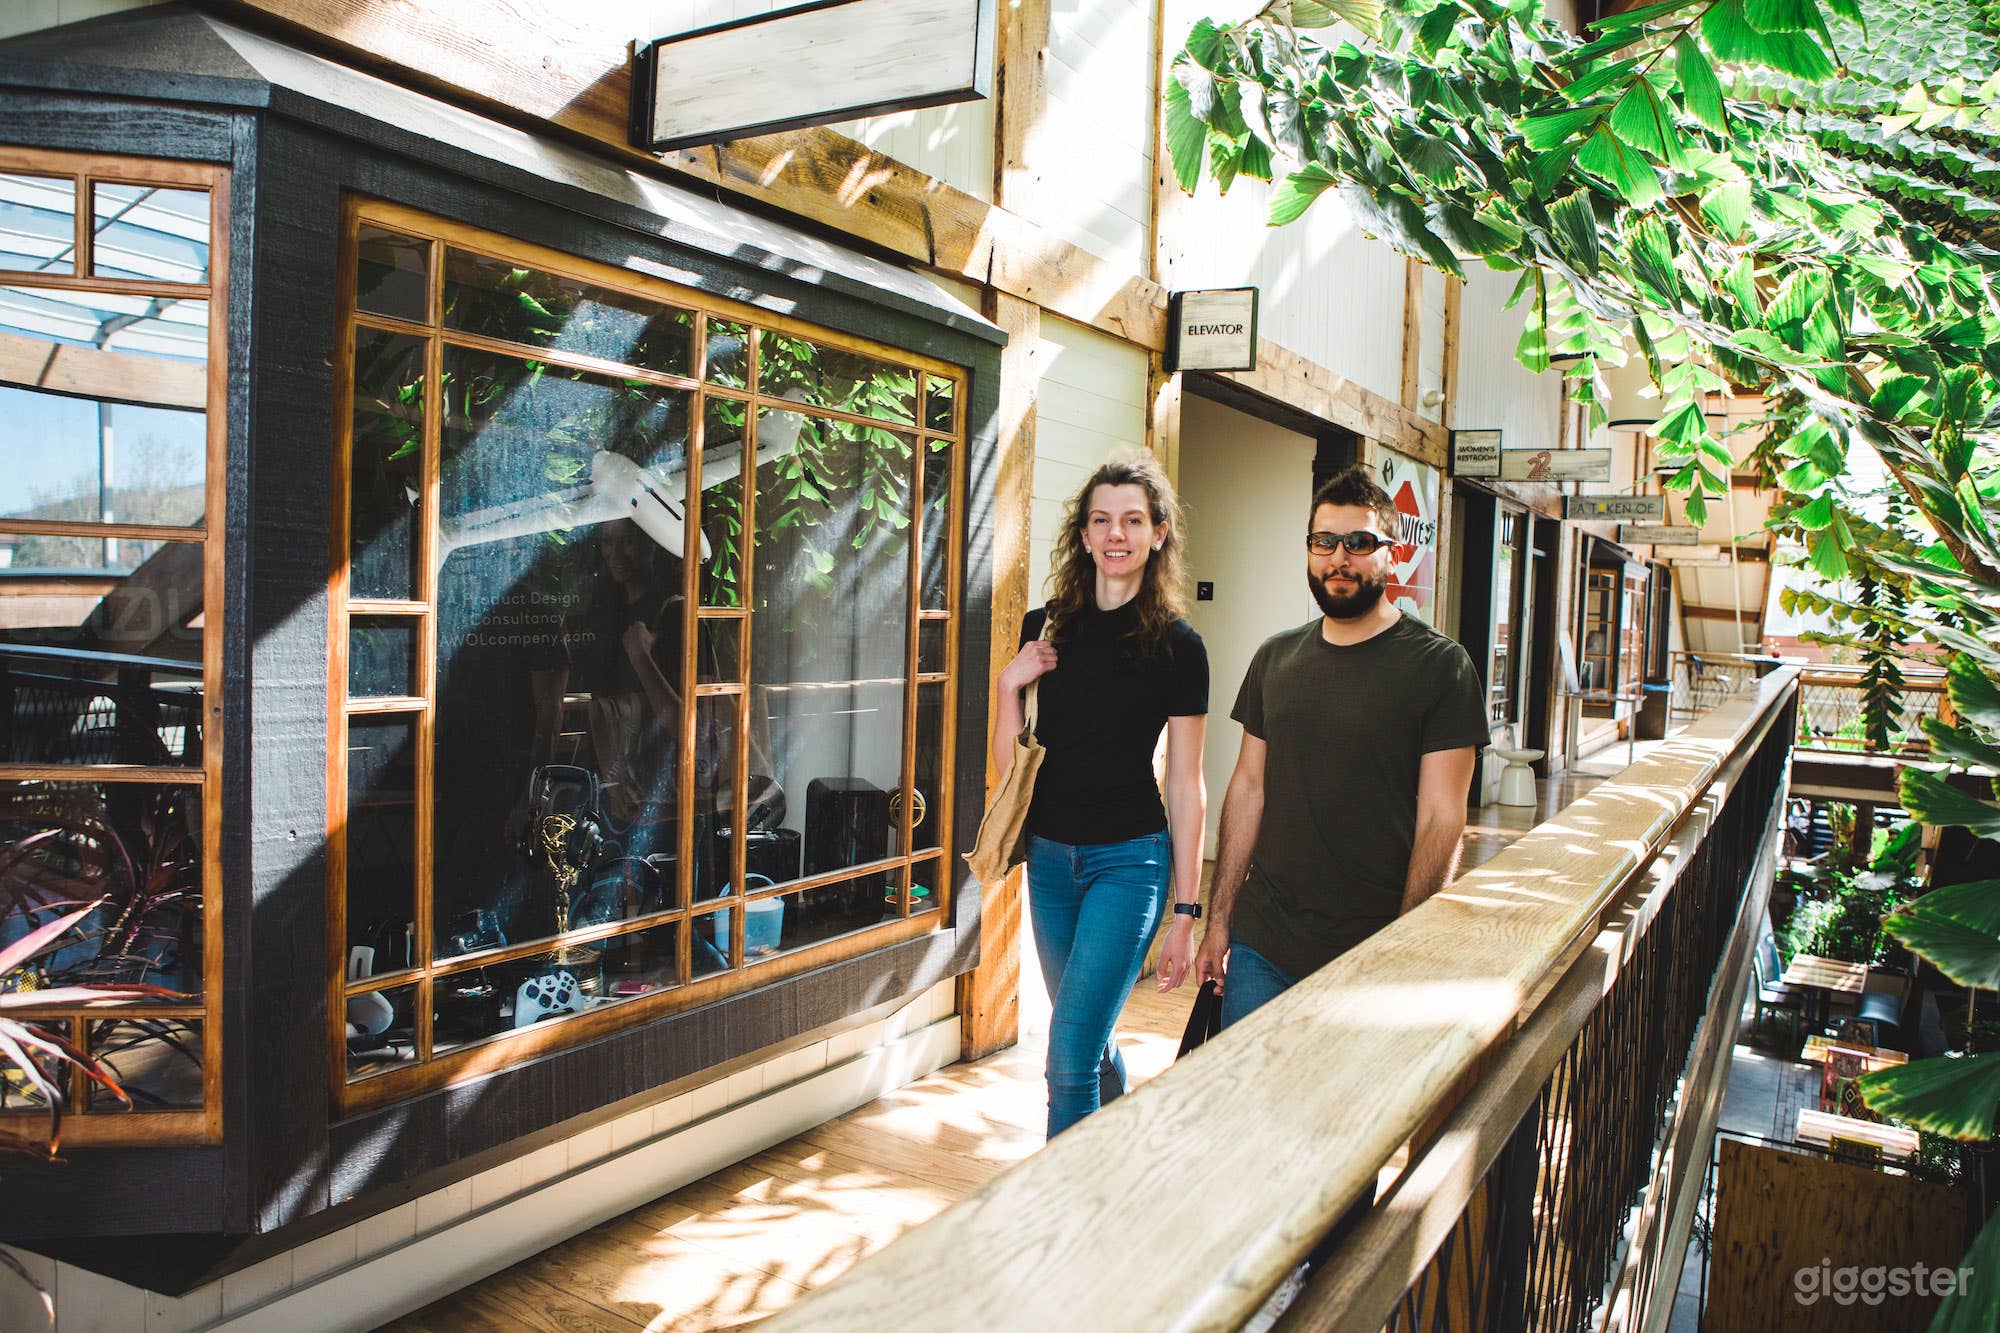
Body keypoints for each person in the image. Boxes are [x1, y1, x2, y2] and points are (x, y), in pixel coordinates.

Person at [1191, 463, 1488, 1259]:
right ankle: (1253, 1286)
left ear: (1394, 552)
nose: (1339, 560)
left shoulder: (1440, 667)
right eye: (1324, 542)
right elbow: (1247, 788)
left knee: (1343, 1148)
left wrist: (1404, 945)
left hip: (1367, 949)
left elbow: (1442, 816)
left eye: (1358, 543)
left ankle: (1326, 1297)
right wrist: (1218, 922)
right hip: (1265, 942)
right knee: (1252, 1128)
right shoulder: (1276, 658)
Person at [992, 453, 1209, 1138]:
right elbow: (1011, 769)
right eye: (1102, 520)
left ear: (1159, 533)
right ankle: (1119, 1145)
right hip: (1050, 861)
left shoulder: (1180, 647)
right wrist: (1008, 684)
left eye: (1133, 521)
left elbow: (1186, 782)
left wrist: (1185, 911)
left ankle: (1062, 1201)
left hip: (1130, 863)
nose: (1117, 534)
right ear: (1084, 535)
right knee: (1084, 1036)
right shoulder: (1045, 627)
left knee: (1067, 1054)